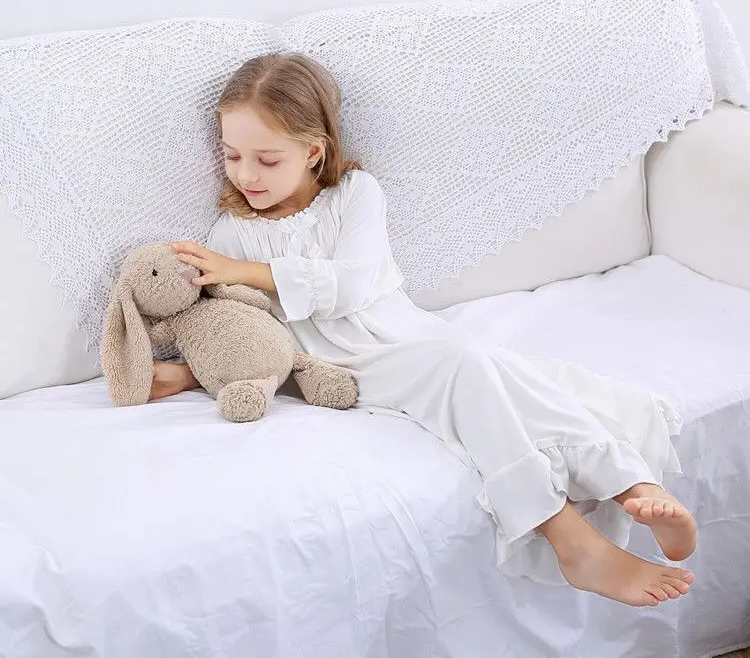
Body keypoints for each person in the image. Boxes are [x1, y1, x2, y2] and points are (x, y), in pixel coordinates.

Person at [154, 52, 697, 606]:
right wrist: (191, 372)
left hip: (401, 333)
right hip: (337, 364)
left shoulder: (355, 195)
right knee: (463, 366)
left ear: (313, 151)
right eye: (232, 156)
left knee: (504, 374)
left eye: (267, 160)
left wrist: (247, 271)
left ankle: (633, 485)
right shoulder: (232, 234)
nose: (246, 175)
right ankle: (567, 535)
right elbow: (240, 331)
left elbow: (353, 283)